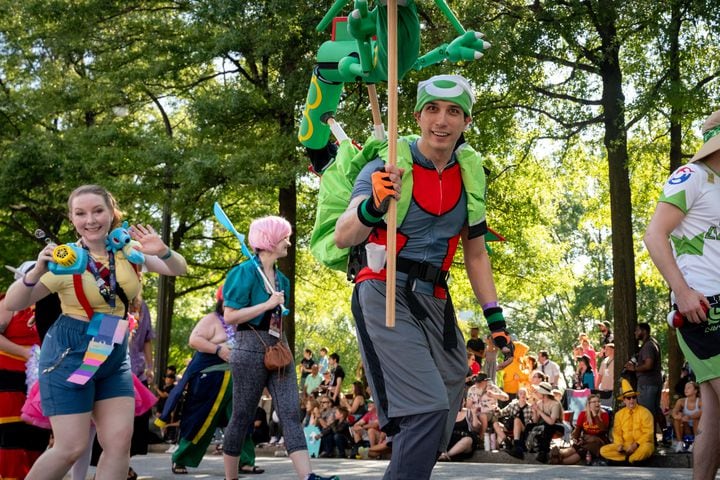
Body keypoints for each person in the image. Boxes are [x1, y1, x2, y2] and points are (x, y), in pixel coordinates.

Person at [334, 73, 514, 479]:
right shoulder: (387, 166)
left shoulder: (470, 177)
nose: (442, 120)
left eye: (454, 111)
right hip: (382, 289)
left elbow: (477, 254)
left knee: (447, 398)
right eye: (433, 109)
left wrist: (495, 319)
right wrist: (373, 204)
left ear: (467, 121)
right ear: (416, 115)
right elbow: (345, 234)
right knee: (426, 407)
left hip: (435, 299)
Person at [3, 184, 187, 479]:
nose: (91, 220)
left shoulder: (129, 252)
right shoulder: (66, 260)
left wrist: (163, 251)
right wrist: (36, 270)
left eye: (98, 211)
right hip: (70, 352)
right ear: (72, 218)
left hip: (113, 351)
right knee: (70, 447)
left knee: (118, 444)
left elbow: (179, 268)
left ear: (112, 213)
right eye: (81, 213)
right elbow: (14, 301)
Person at [220, 215, 337, 480]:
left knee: (290, 413)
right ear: (271, 241)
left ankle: (308, 477)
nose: (289, 242)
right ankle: (231, 477)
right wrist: (267, 304)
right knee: (242, 416)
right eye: (285, 237)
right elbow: (230, 316)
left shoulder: (282, 279)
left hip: (278, 349)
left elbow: (278, 321)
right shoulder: (244, 272)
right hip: (249, 347)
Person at [644, 109, 720, 480]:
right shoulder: (691, 176)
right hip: (704, 308)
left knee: (714, 415)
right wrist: (683, 292)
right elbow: (654, 235)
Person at [0, 281, 51, 479]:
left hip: (48, 378)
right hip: (11, 378)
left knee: (39, 437)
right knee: (12, 435)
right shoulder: (10, 303)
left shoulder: (58, 303)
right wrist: (25, 352)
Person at [599, 379, 654, 464]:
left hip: (641, 445)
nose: (631, 400)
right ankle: (630, 459)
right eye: (628, 398)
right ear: (624, 400)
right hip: (625, 446)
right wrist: (620, 445)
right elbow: (617, 433)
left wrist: (636, 445)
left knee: (646, 449)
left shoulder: (645, 412)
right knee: (603, 450)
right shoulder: (619, 414)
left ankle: (627, 460)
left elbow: (648, 433)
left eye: (634, 397)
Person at [623, 323, 663, 431]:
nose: (635, 333)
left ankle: (648, 439)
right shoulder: (653, 343)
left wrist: (634, 368)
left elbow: (648, 365)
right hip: (654, 382)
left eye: (637, 330)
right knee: (654, 409)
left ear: (644, 331)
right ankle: (663, 436)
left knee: (646, 411)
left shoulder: (648, 346)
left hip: (647, 383)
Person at [550, 394, 610, 465]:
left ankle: (561, 462)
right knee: (575, 447)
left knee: (584, 450)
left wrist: (595, 415)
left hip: (598, 441)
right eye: (594, 402)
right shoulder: (583, 414)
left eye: (598, 402)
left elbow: (603, 429)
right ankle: (558, 454)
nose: (597, 404)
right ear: (589, 404)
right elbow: (578, 428)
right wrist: (576, 438)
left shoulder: (604, 414)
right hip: (585, 439)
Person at [530, 382, 565, 463]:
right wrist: (534, 411)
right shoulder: (539, 403)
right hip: (544, 426)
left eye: (538, 391)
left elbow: (552, 422)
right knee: (530, 425)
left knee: (548, 426)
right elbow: (535, 421)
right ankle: (527, 447)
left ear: (544, 393)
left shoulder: (555, 404)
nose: (537, 393)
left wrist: (539, 410)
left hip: (557, 426)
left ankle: (543, 452)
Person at [670, 381, 701, 453]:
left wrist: (689, 417)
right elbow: (674, 411)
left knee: (696, 419)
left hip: (698, 428)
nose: (686, 390)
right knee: (678, 417)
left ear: (695, 391)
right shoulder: (681, 401)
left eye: (689, 388)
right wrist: (677, 416)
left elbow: (702, 412)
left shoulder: (700, 401)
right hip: (685, 427)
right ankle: (680, 443)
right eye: (685, 388)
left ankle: (695, 443)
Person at [596, 343, 615, 408]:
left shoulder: (617, 360)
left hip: (612, 390)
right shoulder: (604, 361)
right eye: (605, 349)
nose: (605, 351)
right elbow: (600, 375)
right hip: (603, 390)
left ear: (613, 350)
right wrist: (596, 387)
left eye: (607, 349)